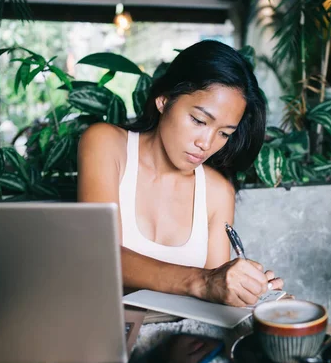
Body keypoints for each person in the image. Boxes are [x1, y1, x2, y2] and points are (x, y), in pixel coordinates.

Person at [77, 40, 283, 307]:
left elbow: (215, 298)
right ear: (164, 99)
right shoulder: (106, 145)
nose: (206, 143)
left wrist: (249, 291)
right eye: (198, 120)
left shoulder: (218, 193)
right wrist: (202, 281)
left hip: (182, 342)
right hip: (102, 332)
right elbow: (99, 256)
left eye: (224, 133)